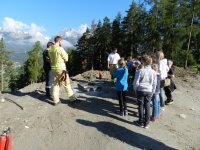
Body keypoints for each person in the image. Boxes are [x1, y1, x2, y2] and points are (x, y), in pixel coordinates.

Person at [49, 36, 77, 105]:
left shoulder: (51, 49)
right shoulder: (60, 48)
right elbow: (66, 58)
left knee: (55, 85)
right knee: (66, 84)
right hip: (61, 69)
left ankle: (56, 101)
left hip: (53, 69)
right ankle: (72, 99)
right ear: (59, 41)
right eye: (61, 41)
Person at [134, 55, 157, 128]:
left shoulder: (139, 71)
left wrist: (135, 89)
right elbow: (154, 83)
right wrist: (153, 91)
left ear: (143, 62)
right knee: (147, 106)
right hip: (149, 90)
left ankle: (140, 122)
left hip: (140, 89)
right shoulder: (153, 72)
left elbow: (136, 82)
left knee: (140, 106)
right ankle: (146, 123)